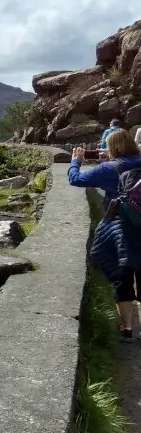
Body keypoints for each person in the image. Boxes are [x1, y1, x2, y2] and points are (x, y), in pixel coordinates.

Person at [70, 128, 141, 342]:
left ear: (111, 147)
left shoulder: (108, 168)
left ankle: (127, 328)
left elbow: (75, 180)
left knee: (123, 274)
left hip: (121, 228)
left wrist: (76, 160)